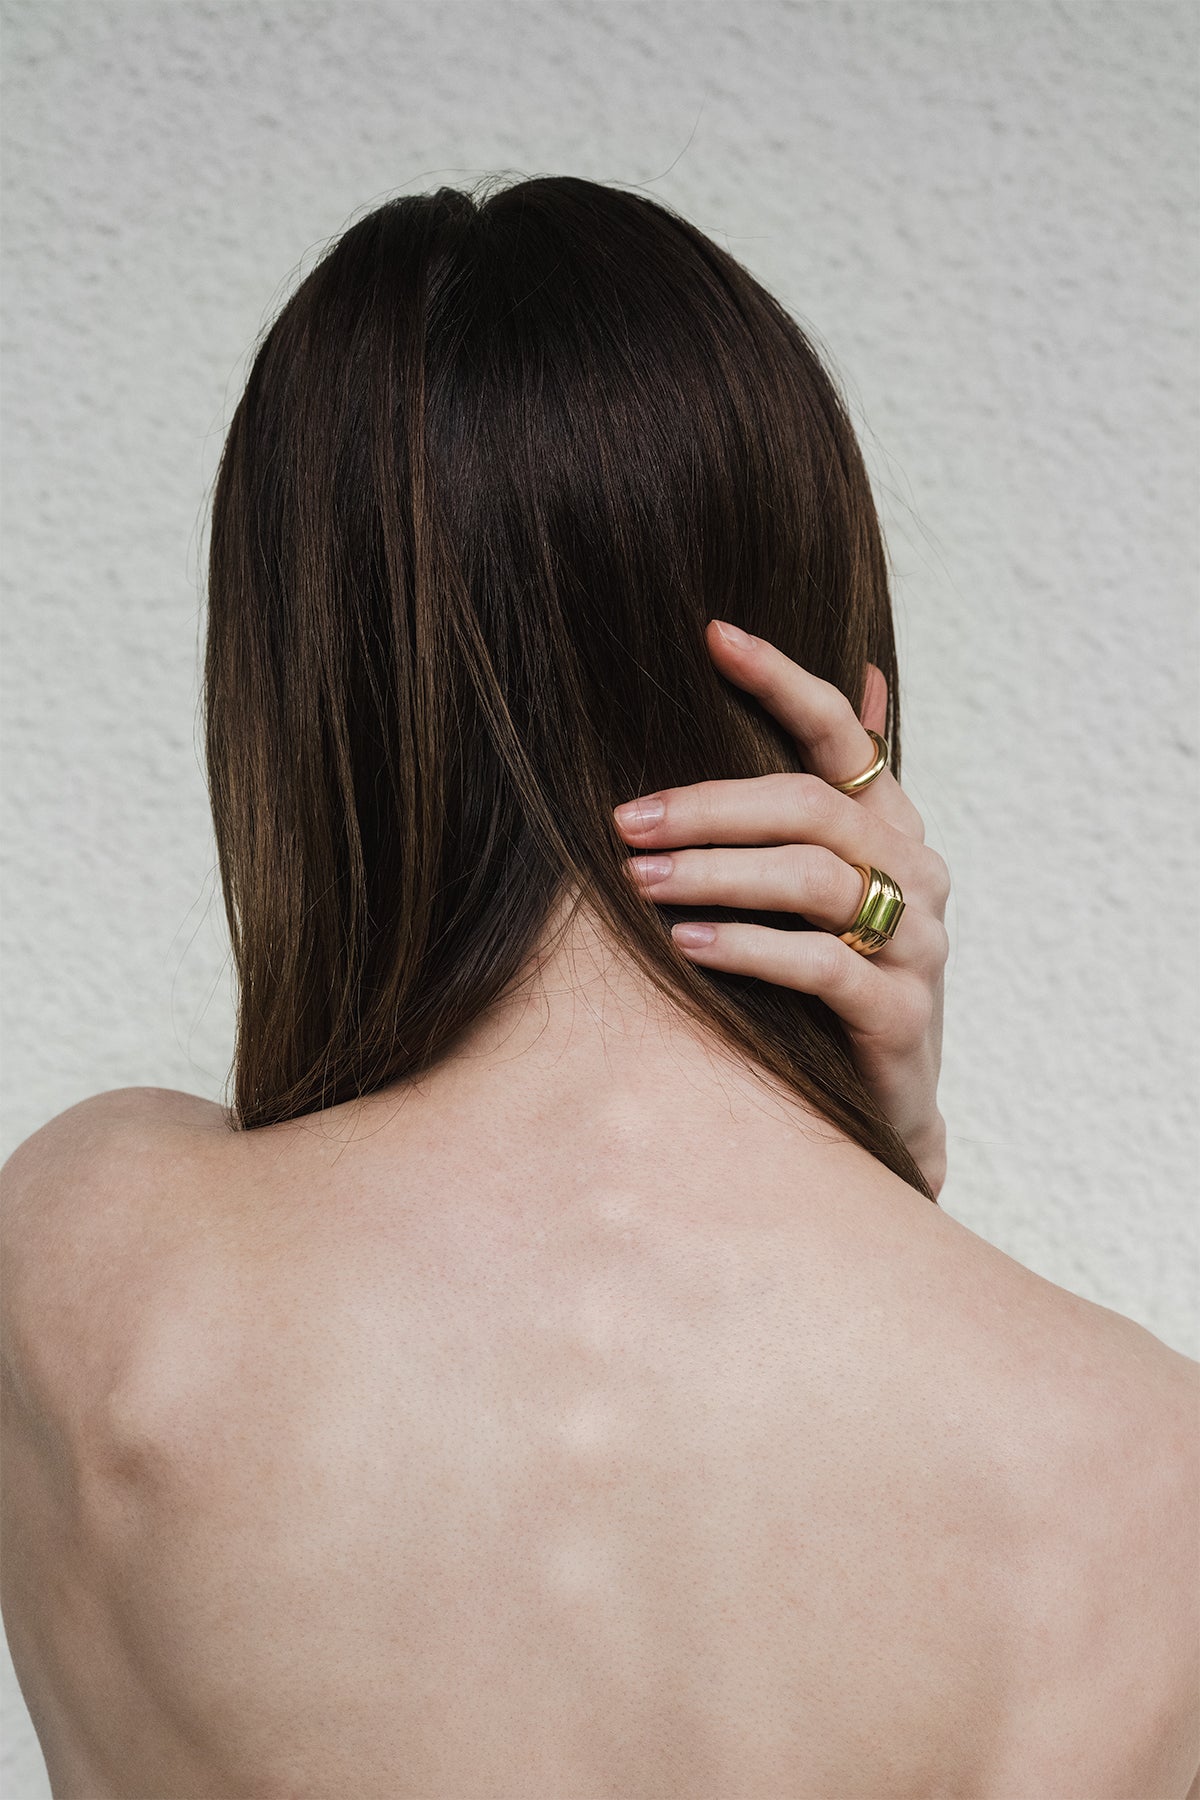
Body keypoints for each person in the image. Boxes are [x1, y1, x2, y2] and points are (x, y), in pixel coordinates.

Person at [1, 175, 1195, 1800]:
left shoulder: (84, 1261)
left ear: (304, 698)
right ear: (818, 676)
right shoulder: (1144, 1471)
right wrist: (887, 1159)